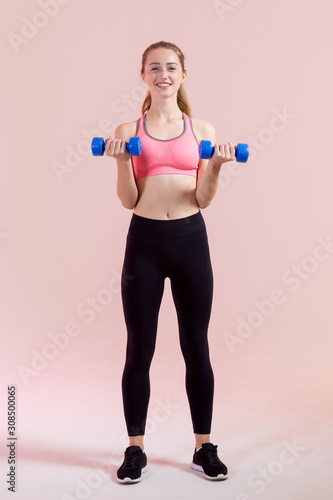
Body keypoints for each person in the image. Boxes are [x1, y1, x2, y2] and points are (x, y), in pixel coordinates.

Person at [104, 41, 235, 484]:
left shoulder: (203, 130)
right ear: (143, 75)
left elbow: (202, 198)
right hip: (144, 242)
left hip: (189, 242)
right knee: (139, 348)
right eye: (154, 67)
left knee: (196, 347)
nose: (163, 74)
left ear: (183, 75)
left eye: (171, 67)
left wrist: (214, 165)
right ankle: (135, 449)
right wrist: (123, 160)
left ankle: (204, 447)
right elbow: (129, 200)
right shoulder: (129, 128)